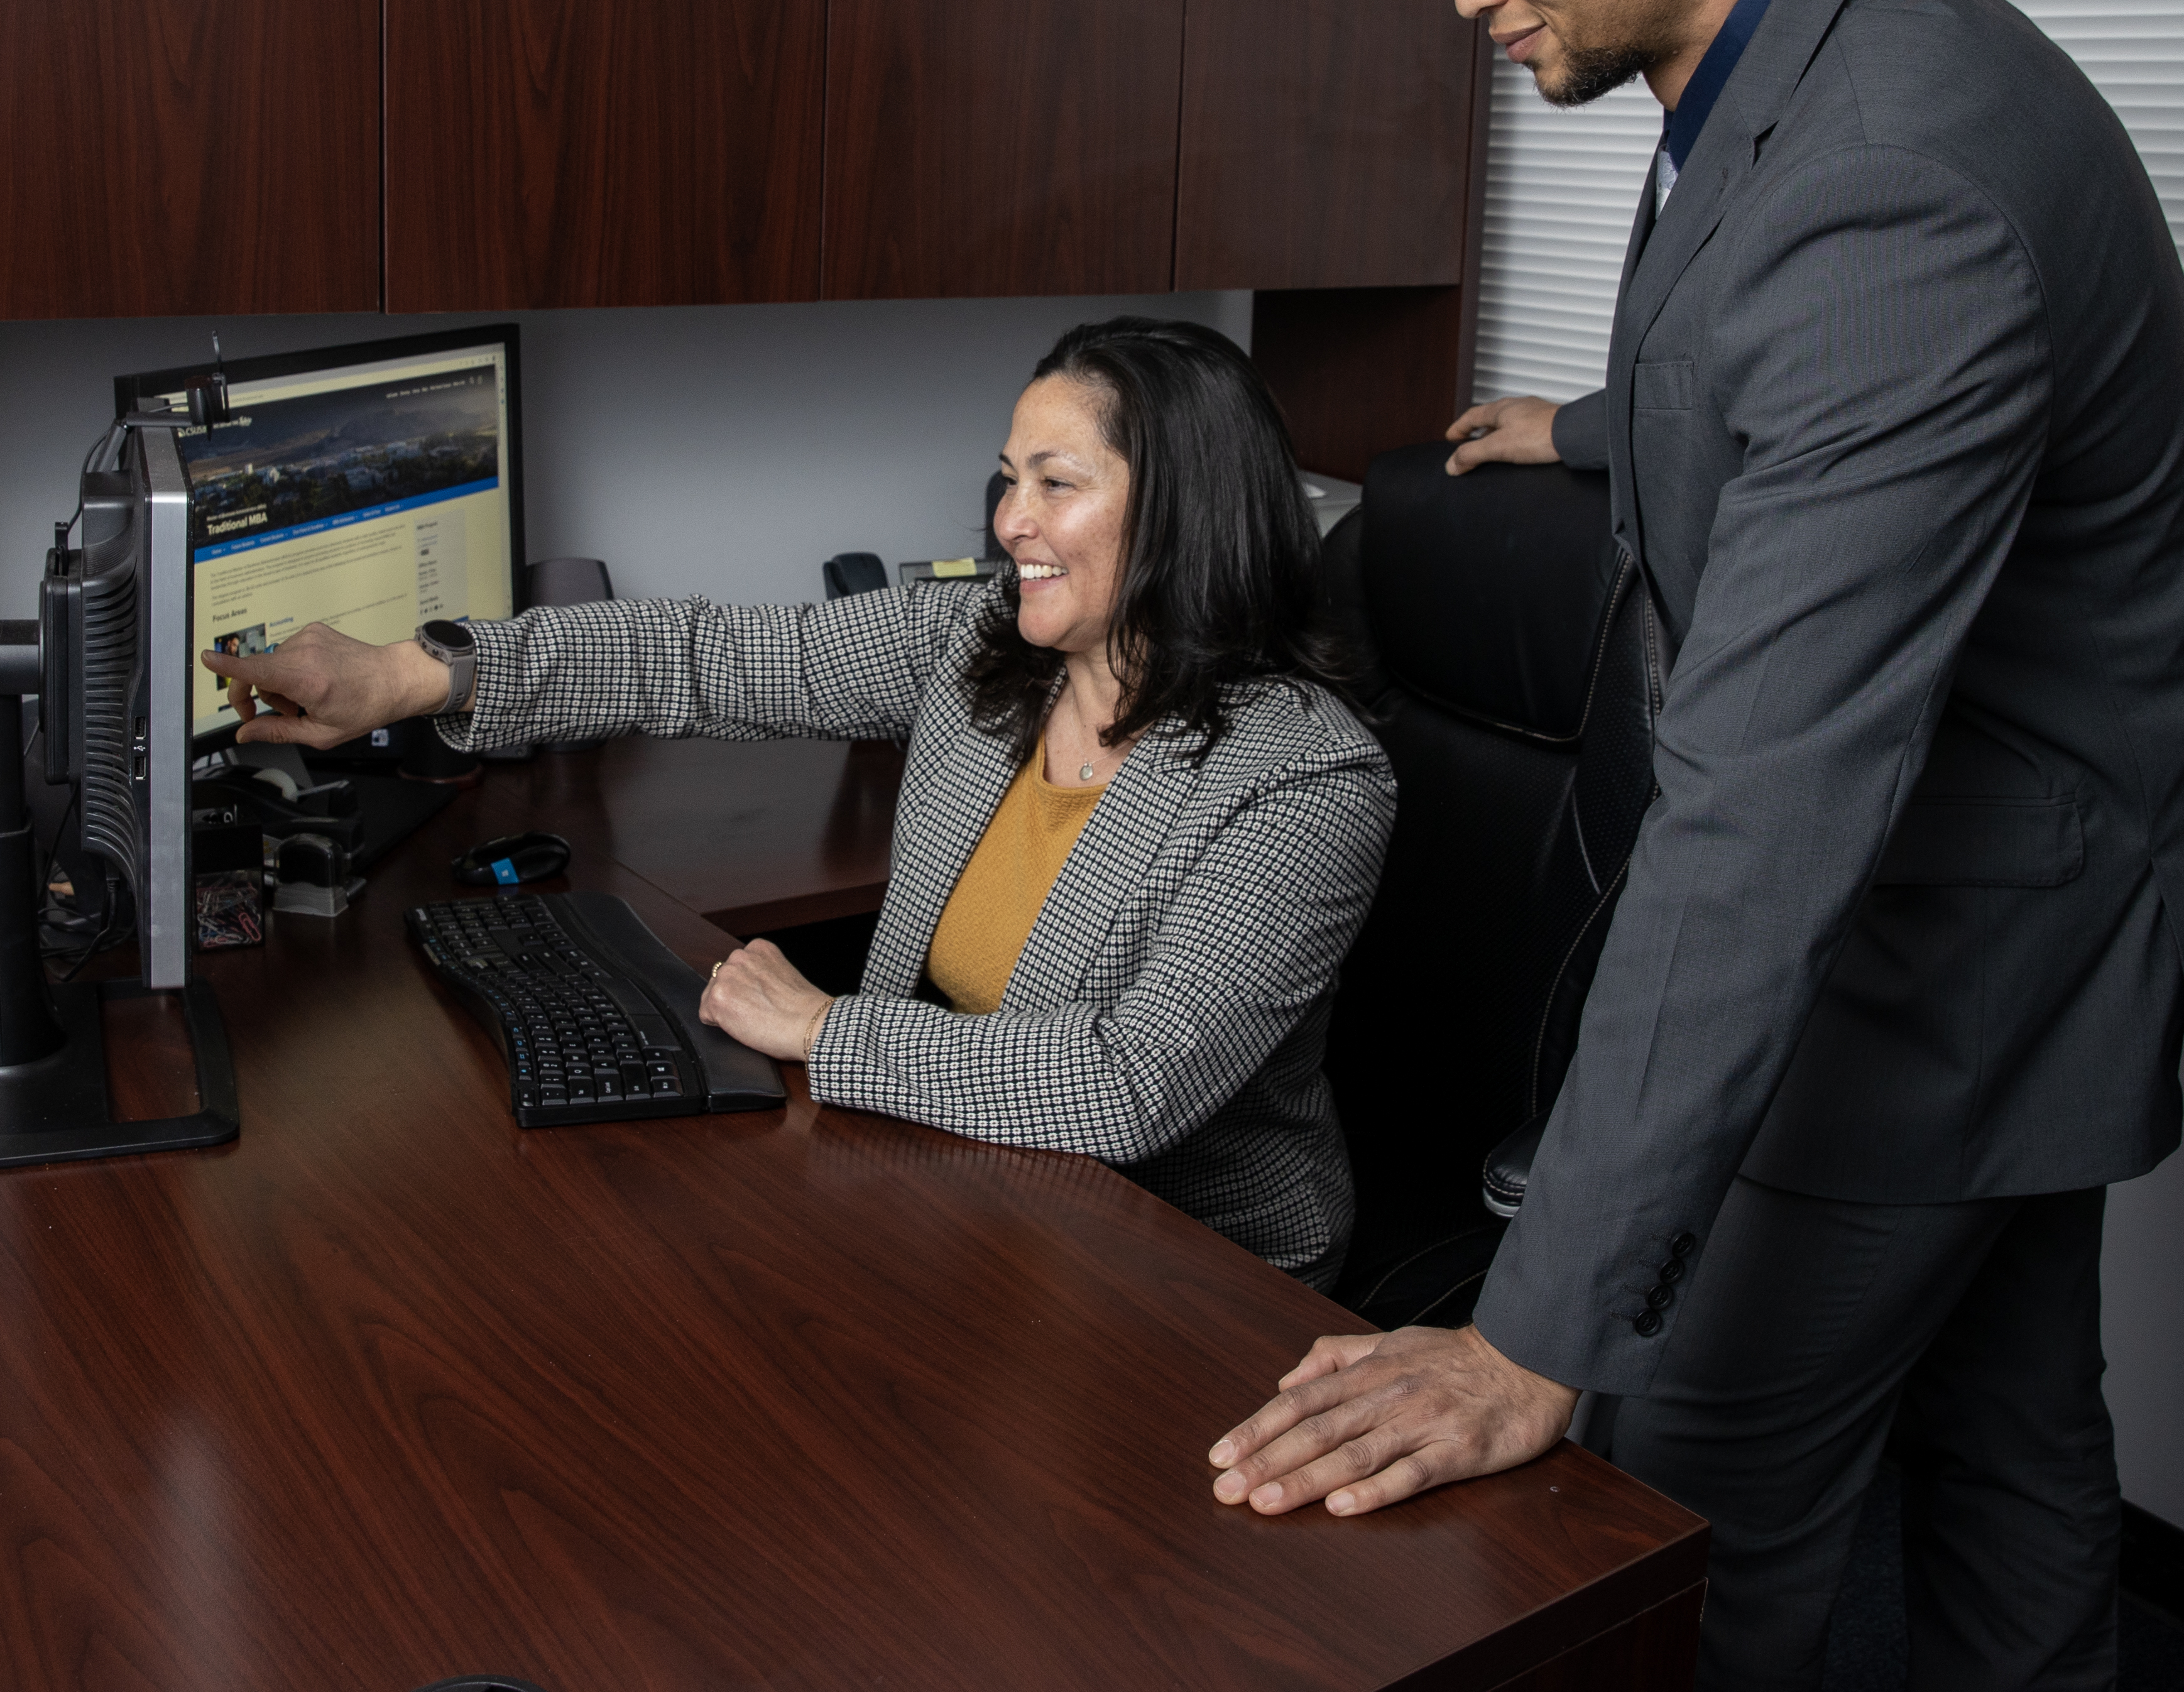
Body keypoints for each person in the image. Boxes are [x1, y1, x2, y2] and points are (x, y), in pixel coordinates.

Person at [1206, 0, 2184, 1692]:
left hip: (1966, 948)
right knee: (2007, 1435)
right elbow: (1821, 373)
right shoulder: (1819, 56)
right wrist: (1591, 425)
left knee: (1674, 1524)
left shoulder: (1888, 179)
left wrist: (1536, 1324)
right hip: (2047, 904)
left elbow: (1770, 796)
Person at [204, 317, 1397, 1283]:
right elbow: (702, 656)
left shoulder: (1301, 778)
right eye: (1007, 477)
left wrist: (821, 1029)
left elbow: (1125, 1084)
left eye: (1055, 483)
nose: (1007, 522)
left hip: (1185, 1277)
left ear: (1181, 512)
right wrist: (408, 676)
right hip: (965, 1188)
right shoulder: (989, 649)